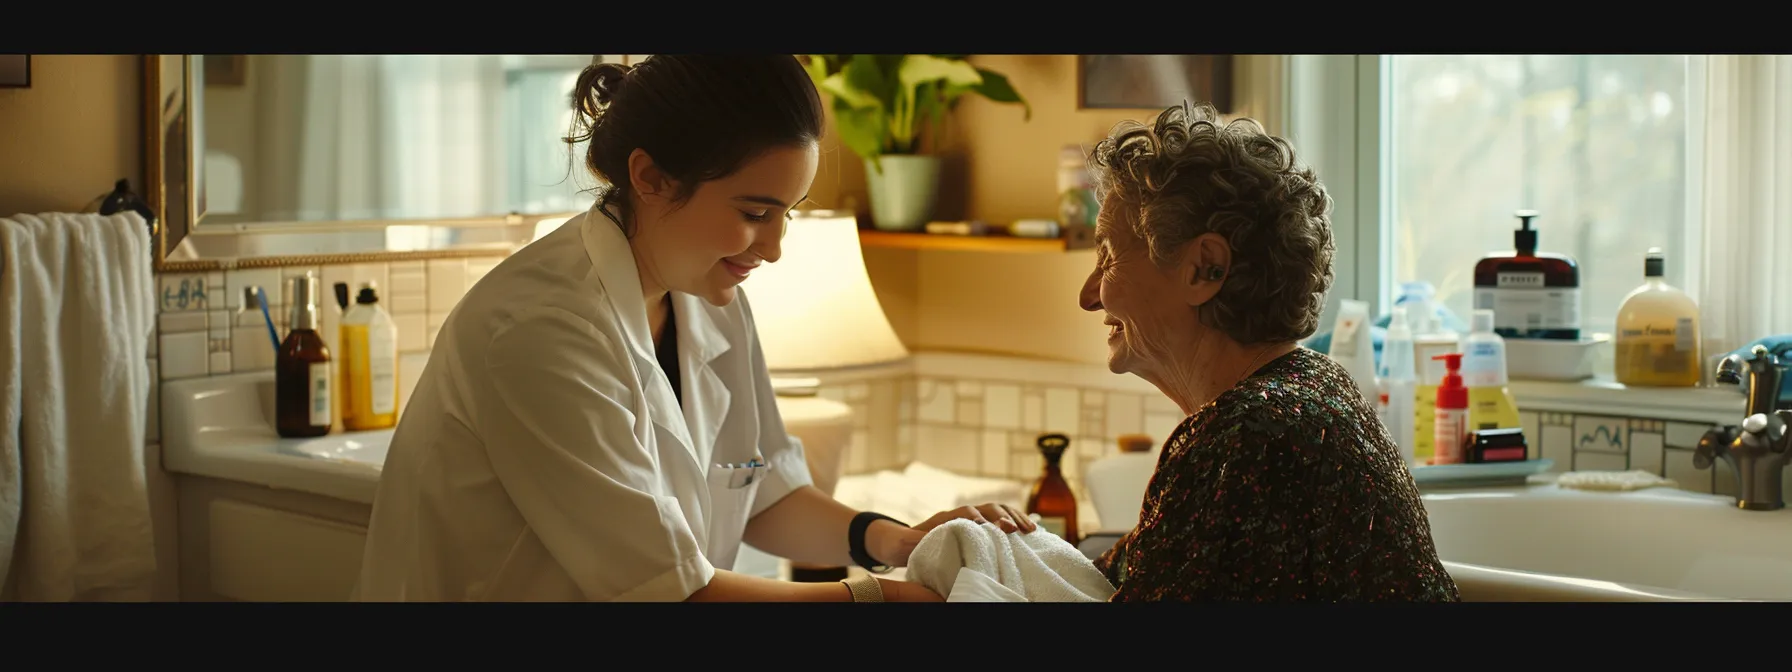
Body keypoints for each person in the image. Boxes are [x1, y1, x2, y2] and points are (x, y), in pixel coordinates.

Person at [356, 55, 1034, 603]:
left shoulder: (709, 294)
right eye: (755, 210)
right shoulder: (539, 331)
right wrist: (887, 601)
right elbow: (674, 595)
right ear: (649, 176)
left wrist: (897, 542)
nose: (772, 247)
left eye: (788, 212)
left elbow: (762, 491)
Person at [1076, 102, 1460, 602]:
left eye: (1108, 255)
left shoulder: (1249, 437)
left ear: (1204, 269)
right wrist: (978, 538)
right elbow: (1112, 579)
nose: (1088, 295)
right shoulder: (1314, 386)